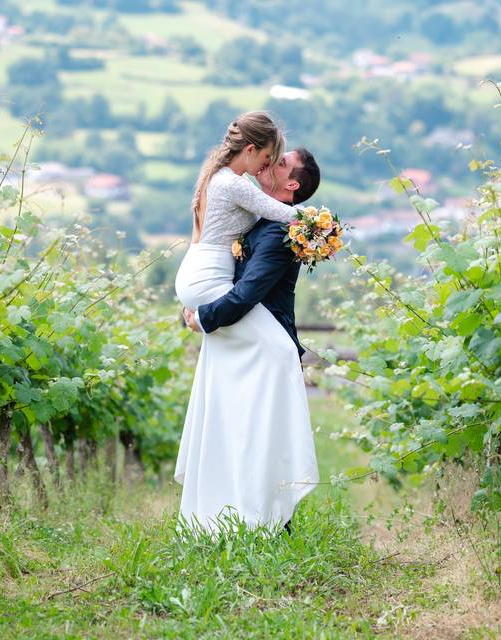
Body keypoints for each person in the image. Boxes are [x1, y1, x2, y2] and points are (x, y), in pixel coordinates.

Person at [173, 111, 321, 533]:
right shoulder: (252, 206)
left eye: (279, 163)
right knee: (244, 421)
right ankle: (239, 513)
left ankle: (255, 514)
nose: (269, 166)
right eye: (271, 157)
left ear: (290, 183)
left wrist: (203, 318)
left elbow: (244, 296)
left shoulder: (275, 232)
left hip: (244, 324)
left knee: (248, 425)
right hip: (227, 316)